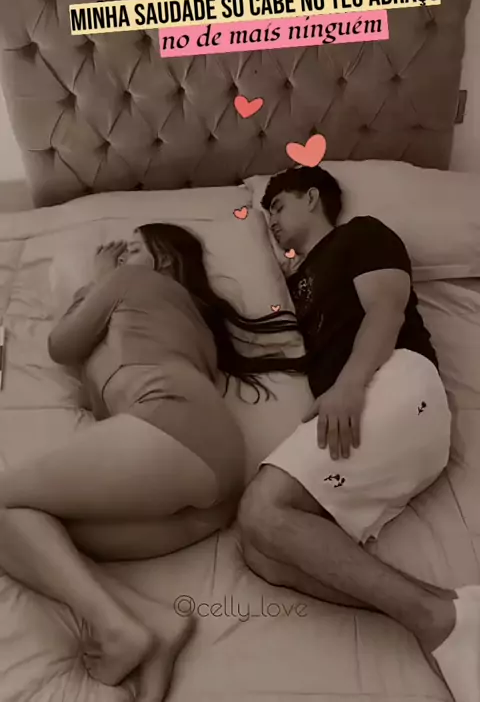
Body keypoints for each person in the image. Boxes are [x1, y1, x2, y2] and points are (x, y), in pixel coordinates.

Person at [0, 222, 303, 702]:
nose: (122, 258)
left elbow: (61, 345)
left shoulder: (130, 281)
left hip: (171, 428)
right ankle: (158, 623)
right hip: (210, 482)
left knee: (4, 500)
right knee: (40, 538)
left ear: (163, 260)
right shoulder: (189, 324)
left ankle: (115, 627)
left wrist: (100, 278)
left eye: (133, 250)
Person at [238, 165, 479, 702]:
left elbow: (386, 309)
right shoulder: (293, 282)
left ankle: (438, 619)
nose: (270, 219)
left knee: (262, 510)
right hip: (367, 416)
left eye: (277, 205)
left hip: (392, 382)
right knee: (263, 554)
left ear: (312, 196)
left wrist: (350, 384)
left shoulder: (361, 234)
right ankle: (448, 610)